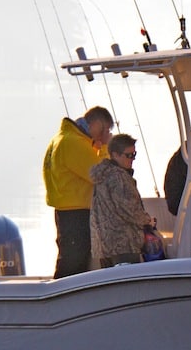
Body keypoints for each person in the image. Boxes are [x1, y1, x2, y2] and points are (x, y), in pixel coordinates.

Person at [43, 106, 113, 278]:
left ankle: (62, 298)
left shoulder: (62, 138)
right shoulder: (74, 142)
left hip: (67, 210)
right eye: (106, 130)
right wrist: (105, 147)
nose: (106, 134)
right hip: (75, 213)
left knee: (72, 260)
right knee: (73, 263)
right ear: (97, 124)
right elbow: (101, 174)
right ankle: (61, 299)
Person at [90, 134, 156, 268]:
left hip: (104, 247)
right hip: (123, 245)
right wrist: (148, 220)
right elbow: (128, 209)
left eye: (134, 154)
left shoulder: (102, 175)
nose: (133, 159)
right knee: (129, 287)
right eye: (129, 155)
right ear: (115, 155)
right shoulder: (118, 177)